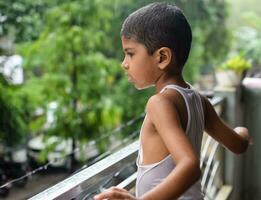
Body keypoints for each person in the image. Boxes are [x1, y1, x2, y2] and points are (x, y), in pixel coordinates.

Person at [94, 2, 250, 200]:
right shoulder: (199, 101)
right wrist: (243, 132)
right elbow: (238, 145)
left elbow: (190, 166)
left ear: (162, 57)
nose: (124, 63)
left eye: (130, 53)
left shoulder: (159, 103)